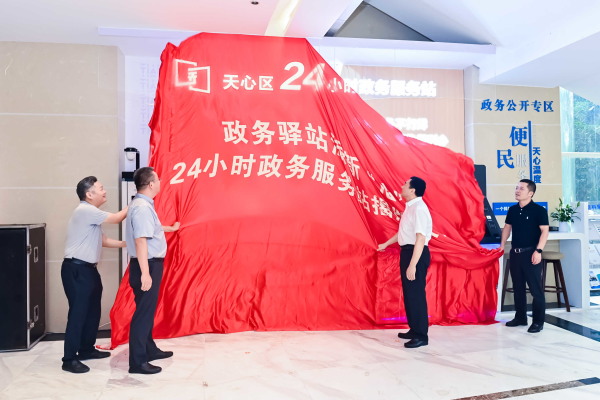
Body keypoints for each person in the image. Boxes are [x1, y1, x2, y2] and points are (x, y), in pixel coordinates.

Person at [61, 176, 128, 374]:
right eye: (101, 188)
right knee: (78, 313)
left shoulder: (91, 214)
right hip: (76, 269)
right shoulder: (85, 210)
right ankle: (69, 359)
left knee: (92, 311)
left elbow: (103, 241)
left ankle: (86, 349)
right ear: (89, 195)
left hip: (89, 270)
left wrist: (128, 244)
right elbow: (117, 218)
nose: (104, 191)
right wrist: (137, 200)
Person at [126, 167, 180, 374]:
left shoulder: (141, 204)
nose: (160, 182)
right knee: (143, 314)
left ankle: (149, 349)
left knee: (146, 311)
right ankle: (137, 362)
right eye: (158, 179)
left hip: (147, 263)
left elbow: (151, 229)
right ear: (150, 184)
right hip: (146, 264)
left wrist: (171, 229)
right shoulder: (142, 207)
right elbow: (140, 240)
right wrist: (146, 273)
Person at [378, 177, 432, 348]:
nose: (402, 186)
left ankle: (421, 336)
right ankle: (414, 330)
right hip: (408, 252)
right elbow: (403, 233)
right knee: (410, 294)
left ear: (412, 190)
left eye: (405, 184)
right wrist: (386, 244)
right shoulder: (410, 208)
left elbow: (420, 238)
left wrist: (413, 264)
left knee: (416, 295)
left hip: (416, 253)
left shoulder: (419, 209)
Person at [500, 179, 549, 333]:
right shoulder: (512, 210)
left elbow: (545, 231)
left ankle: (538, 322)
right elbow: (507, 227)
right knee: (518, 287)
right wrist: (502, 245)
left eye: (521, 188)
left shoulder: (539, 210)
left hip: (531, 253)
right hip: (515, 254)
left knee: (535, 290)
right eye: (517, 188)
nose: (517, 190)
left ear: (530, 193)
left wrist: (539, 251)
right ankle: (520, 317)